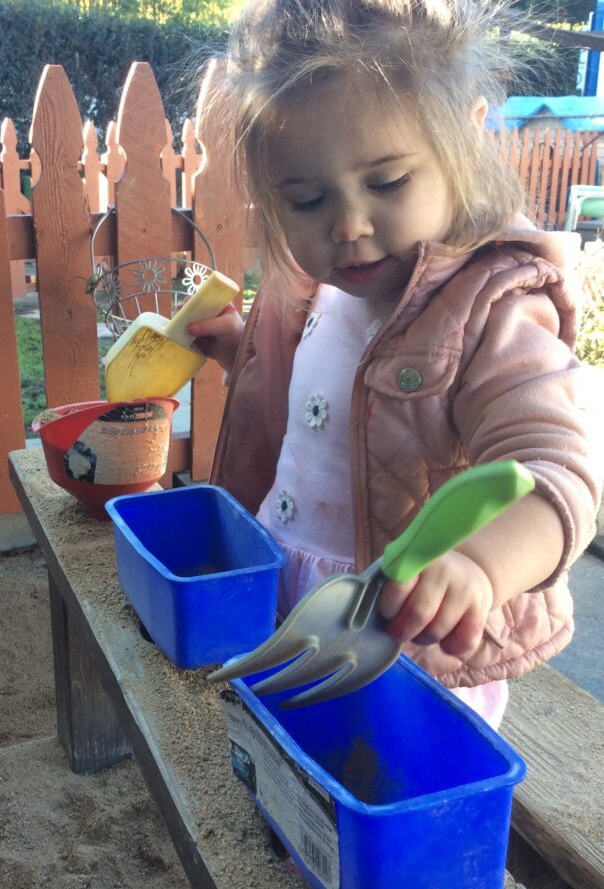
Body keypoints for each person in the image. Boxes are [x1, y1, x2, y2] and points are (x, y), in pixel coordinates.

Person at [186, 0, 602, 729]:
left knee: (378, 802)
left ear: (464, 144)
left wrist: (478, 567)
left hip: (410, 638)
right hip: (300, 598)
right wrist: (238, 356)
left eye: (386, 184)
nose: (347, 225)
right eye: (307, 200)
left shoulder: (492, 312)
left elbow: (555, 474)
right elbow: (336, 407)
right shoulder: (321, 288)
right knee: (294, 782)